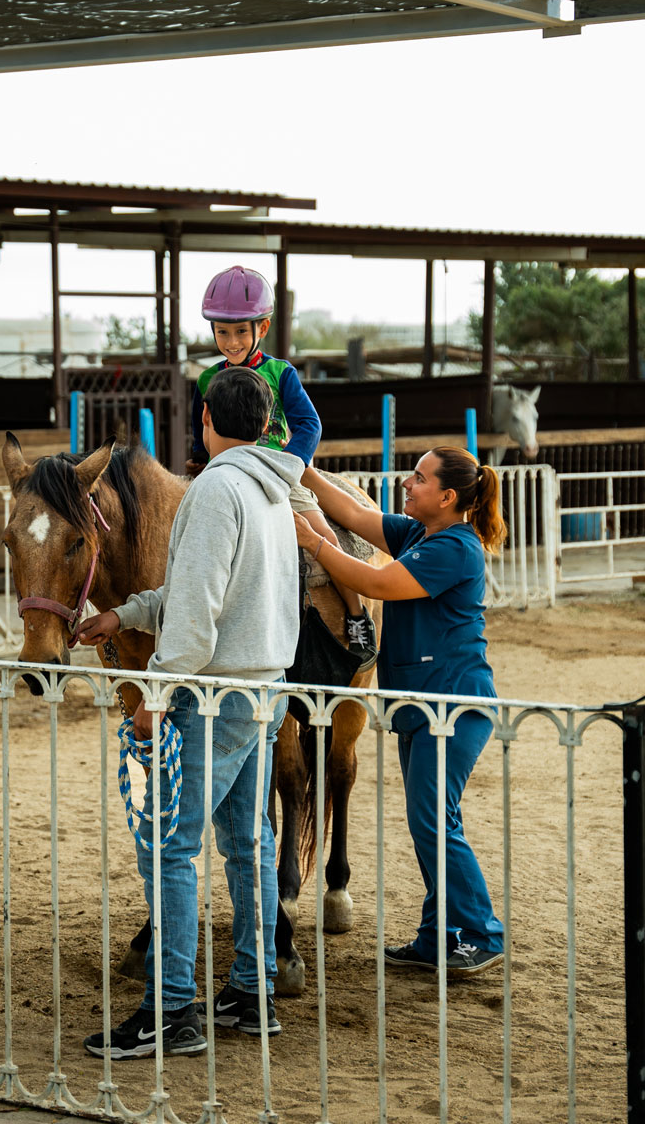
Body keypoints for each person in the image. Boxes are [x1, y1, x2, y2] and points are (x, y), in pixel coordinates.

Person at [78, 365, 302, 1060]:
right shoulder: (273, 490)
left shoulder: (213, 490)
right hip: (265, 688)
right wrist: (124, 615)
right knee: (250, 843)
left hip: (214, 696)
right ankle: (253, 989)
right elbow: (196, 592)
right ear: (264, 426)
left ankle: (171, 1009)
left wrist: (156, 691)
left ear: (206, 419)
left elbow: (197, 611)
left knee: (168, 845)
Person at [293, 447, 506, 976]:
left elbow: (377, 584)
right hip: (420, 707)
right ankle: (437, 937)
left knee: (434, 823)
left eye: (419, 478)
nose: (407, 484)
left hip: (451, 706)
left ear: (447, 497)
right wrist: (302, 469)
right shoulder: (419, 534)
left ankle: (483, 934)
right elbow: (353, 512)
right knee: (428, 824)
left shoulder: (455, 549)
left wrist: (313, 542)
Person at [189, 264, 376, 671]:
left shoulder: (280, 373)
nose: (231, 341)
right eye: (222, 332)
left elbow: (309, 424)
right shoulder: (206, 380)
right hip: (224, 476)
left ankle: (357, 616)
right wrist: (200, 461)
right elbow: (199, 429)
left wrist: (288, 466)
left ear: (263, 327)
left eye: (241, 331)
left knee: (323, 534)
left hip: (277, 475)